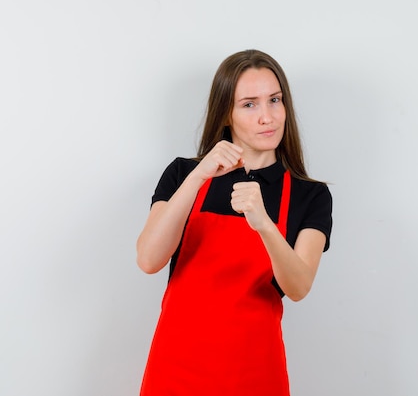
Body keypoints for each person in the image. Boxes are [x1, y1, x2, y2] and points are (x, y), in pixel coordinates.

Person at [136, 49, 333, 395]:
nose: (267, 117)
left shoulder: (309, 195)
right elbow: (149, 259)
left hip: (255, 375)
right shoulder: (184, 173)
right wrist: (199, 176)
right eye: (250, 104)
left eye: (275, 100)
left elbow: (298, 287)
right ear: (226, 113)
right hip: (175, 370)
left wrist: (264, 223)